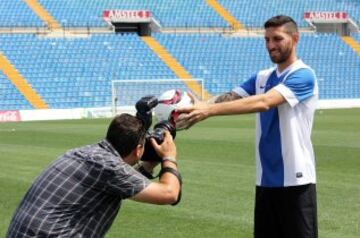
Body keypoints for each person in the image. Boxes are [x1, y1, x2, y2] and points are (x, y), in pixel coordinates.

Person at [177, 15, 318, 238]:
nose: (271, 45)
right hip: (265, 182)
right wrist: (200, 107)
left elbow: (264, 102)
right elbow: (231, 97)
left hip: (296, 181)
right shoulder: (262, 77)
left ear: (295, 38)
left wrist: (209, 111)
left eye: (277, 39)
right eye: (267, 40)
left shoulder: (303, 75)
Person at [7, 113, 182, 237]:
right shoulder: (109, 167)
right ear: (137, 150)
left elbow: (119, 182)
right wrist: (169, 156)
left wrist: (148, 166)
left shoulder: (87, 153)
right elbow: (170, 193)